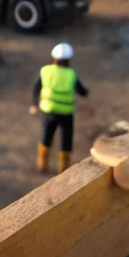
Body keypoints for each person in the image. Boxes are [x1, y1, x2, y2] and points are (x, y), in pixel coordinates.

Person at [29, 42, 88, 174]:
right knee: (66, 139)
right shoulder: (71, 74)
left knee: (46, 135)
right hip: (66, 113)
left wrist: (33, 104)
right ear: (68, 60)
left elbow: (36, 87)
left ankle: (42, 164)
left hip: (48, 110)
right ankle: (64, 169)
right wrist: (86, 92)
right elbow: (81, 90)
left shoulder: (45, 71)